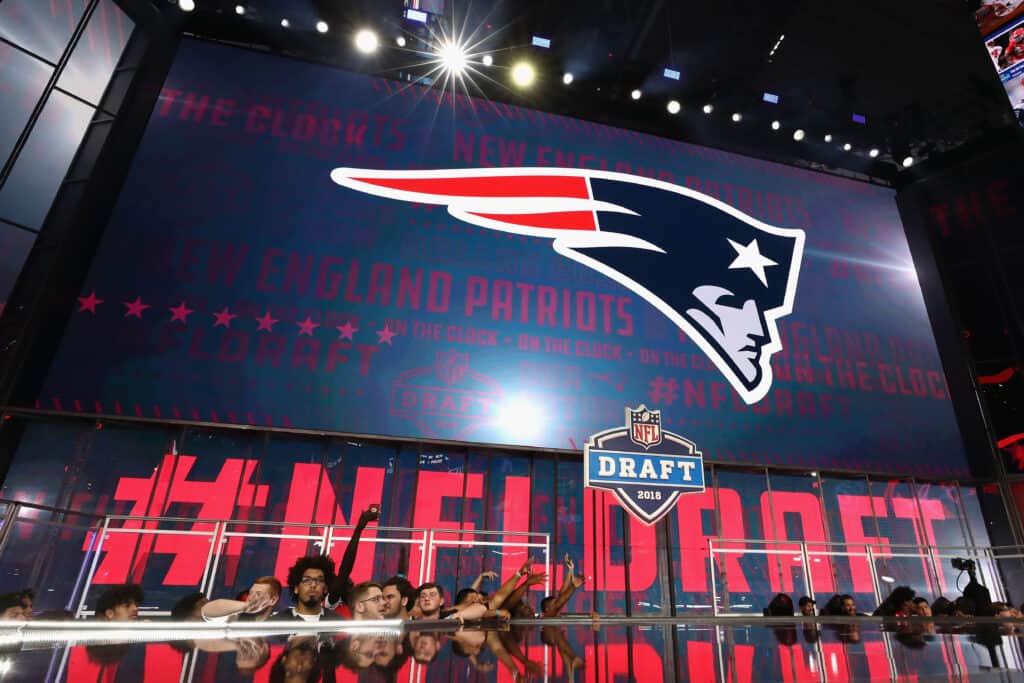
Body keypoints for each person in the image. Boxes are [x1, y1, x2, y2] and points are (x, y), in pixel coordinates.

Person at [327, 505, 380, 610]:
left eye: (351, 585)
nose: (352, 587)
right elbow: (345, 569)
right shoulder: (330, 604)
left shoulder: (356, 609)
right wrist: (359, 529)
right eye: (347, 584)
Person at [271, 555, 344, 621]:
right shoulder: (277, 622)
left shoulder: (337, 622)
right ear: (296, 588)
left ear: (325, 589)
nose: (313, 585)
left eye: (319, 580)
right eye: (306, 580)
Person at [202, 576, 282, 622]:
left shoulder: (279, 620)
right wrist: (244, 606)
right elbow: (207, 611)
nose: (251, 598)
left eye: (258, 594)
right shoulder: (238, 616)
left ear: (273, 600)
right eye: (250, 593)